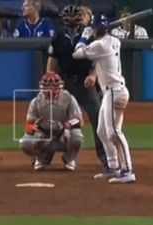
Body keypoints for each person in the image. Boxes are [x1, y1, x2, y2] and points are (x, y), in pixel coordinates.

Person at [73, 14, 136, 183]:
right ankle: (114, 167)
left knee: (114, 132)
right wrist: (97, 30)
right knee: (102, 131)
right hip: (111, 91)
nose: (92, 29)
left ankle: (128, 170)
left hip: (115, 92)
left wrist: (84, 37)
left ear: (99, 29)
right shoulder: (114, 41)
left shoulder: (100, 45)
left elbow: (77, 54)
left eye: (94, 27)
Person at [47, 4, 108, 171]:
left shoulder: (89, 35)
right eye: (70, 18)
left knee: (98, 119)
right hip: (65, 84)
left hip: (85, 84)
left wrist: (93, 76)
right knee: (54, 120)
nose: (73, 21)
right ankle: (45, 156)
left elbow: (97, 61)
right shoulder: (59, 36)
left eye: (76, 17)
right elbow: (52, 61)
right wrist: (51, 78)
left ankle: (106, 158)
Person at [19, 72, 84, 171]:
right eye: (48, 85)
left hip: (63, 135)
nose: (51, 88)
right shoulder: (36, 101)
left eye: (53, 86)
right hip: (44, 136)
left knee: (77, 136)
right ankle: (41, 157)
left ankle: (69, 158)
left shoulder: (69, 98)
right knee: (25, 142)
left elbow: (79, 120)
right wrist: (38, 129)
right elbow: (28, 125)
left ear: (59, 86)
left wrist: (67, 125)